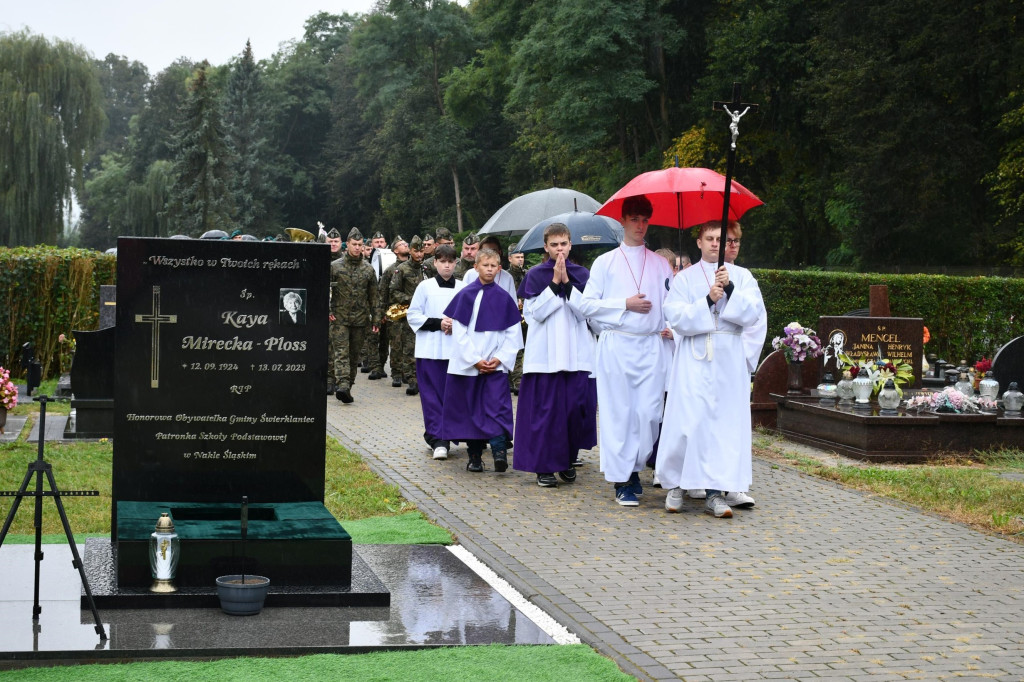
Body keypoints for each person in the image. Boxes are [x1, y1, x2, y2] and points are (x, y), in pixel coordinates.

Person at [657, 221, 766, 518]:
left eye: (721, 239)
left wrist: (729, 288)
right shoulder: (685, 279)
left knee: (721, 425)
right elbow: (675, 316)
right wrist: (707, 300)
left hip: (728, 357)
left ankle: (716, 492)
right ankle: (677, 484)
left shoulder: (742, 277)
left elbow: (754, 314)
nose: (716, 244)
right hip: (694, 355)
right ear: (699, 242)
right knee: (688, 420)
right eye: (710, 238)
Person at [576, 194, 674, 506]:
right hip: (617, 344)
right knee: (619, 414)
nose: (641, 226)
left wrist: (676, 326)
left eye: (646, 220)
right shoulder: (605, 263)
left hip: (650, 345)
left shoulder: (661, 265)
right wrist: (625, 304)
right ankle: (623, 478)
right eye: (635, 219)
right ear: (623, 221)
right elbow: (586, 305)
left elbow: (672, 305)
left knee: (649, 414)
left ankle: (634, 465)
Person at [513, 223, 597, 487]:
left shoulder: (582, 274)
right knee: (546, 414)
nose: (559, 249)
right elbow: (534, 314)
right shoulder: (536, 275)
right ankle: (545, 467)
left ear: (570, 245)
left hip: (576, 354)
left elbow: (586, 311)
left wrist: (568, 285)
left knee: (574, 410)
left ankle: (566, 459)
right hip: (545, 356)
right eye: (554, 245)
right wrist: (552, 285)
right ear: (546, 247)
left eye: (564, 244)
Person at [440, 248, 523, 473]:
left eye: (493, 266)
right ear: (475, 267)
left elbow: (513, 334)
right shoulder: (466, 295)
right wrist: (475, 360)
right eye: (485, 265)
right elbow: (460, 333)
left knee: (496, 408)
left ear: (499, 269)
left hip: (494, 366)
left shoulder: (505, 298)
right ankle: (474, 456)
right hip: (468, 367)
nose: (489, 269)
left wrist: (499, 359)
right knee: (469, 411)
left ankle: (498, 453)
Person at [406, 244, 464, 459]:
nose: (447, 266)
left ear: (456, 263)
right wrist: (438, 323)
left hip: (454, 351)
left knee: (452, 396)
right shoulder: (425, 287)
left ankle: (448, 434)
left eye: (451, 262)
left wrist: (454, 324)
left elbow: (469, 316)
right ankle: (438, 439)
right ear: (435, 263)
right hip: (429, 350)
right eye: (443, 262)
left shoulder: (462, 287)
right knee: (431, 396)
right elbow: (413, 315)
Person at [329, 227, 379, 403]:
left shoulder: (368, 269)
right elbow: (323, 290)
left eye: (360, 244)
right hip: (339, 318)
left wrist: (377, 319)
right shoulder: (335, 267)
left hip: (360, 319)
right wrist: (328, 310)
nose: (357, 248)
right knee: (341, 352)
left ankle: (348, 386)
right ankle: (342, 384)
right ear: (347, 244)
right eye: (354, 244)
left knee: (354, 354)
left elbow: (374, 296)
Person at [391, 235, 429, 395]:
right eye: (415, 251)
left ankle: (424, 379)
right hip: (408, 314)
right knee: (408, 348)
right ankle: (412, 380)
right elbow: (394, 291)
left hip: (427, 314)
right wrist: (411, 300)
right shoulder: (402, 269)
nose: (419, 254)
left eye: (421, 251)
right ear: (410, 251)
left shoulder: (427, 269)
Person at [377, 236, 409, 386]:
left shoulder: (416, 267)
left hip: (412, 312)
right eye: (401, 244)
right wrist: (381, 313)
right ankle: (396, 373)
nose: (405, 245)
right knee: (396, 343)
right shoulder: (390, 270)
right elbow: (382, 293)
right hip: (395, 312)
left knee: (409, 344)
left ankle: (408, 373)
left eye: (406, 243)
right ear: (395, 251)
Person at [463, 235, 518, 301]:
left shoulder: (507, 277)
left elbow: (512, 304)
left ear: (499, 252)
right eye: (486, 250)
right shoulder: (470, 274)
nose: (489, 254)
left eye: (493, 251)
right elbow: (464, 300)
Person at [325, 227, 344, 395]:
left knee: (339, 349)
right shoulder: (320, 259)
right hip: (324, 309)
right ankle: (329, 380)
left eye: (336, 241)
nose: (333, 244)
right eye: (330, 242)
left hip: (341, 312)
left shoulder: (346, 261)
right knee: (327, 348)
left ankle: (339, 381)